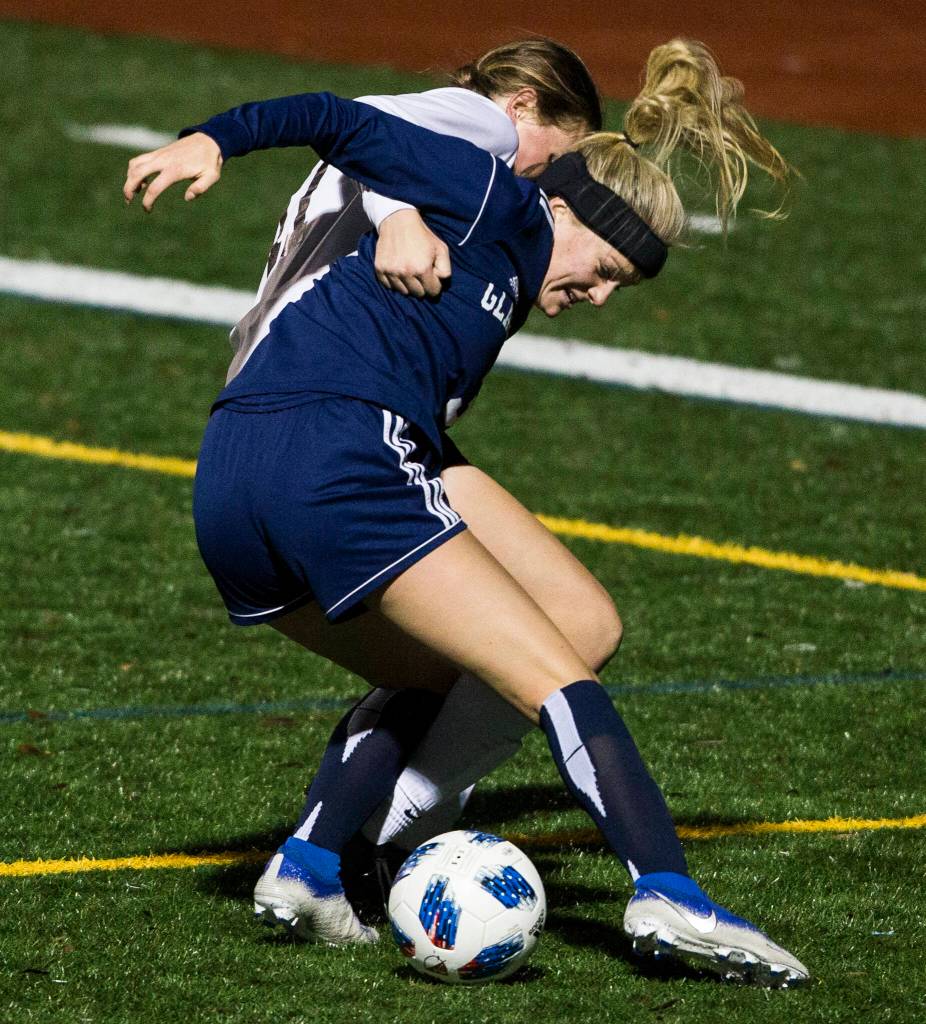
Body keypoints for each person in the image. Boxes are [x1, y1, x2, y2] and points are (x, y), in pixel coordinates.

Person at [123, 39, 808, 987]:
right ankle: (669, 895)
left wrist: (393, 211)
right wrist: (211, 141)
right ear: (559, 204)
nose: (599, 297)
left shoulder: (496, 280)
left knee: (536, 637)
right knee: (555, 680)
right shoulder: (495, 192)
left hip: (239, 476)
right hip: (339, 455)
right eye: (604, 267)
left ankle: (317, 865)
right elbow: (343, 116)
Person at [130, 39, 624, 860]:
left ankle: (370, 831)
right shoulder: (482, 126)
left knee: (575, 622)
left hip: (324, 404)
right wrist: (397, 214)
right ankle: (384, 832)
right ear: (525, 106)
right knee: (519, 645)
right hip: (337, 407)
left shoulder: (466, 158)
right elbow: (360, 123)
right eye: (553, 158)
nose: (540, 184)